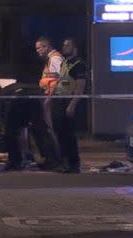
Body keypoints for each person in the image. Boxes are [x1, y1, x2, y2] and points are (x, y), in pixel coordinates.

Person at [52, 38, 87, 174]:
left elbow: (80, 87)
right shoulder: (65, 62)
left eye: (67, 45)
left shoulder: (79, 64)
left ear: (75, 48)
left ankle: (73, 164)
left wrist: (72, 105)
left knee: (69, 135)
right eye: (63, 44)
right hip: (59, 101)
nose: (64, 47)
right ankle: (64, 162)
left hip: (69, 101)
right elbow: (60, 81)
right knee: (60, 133)